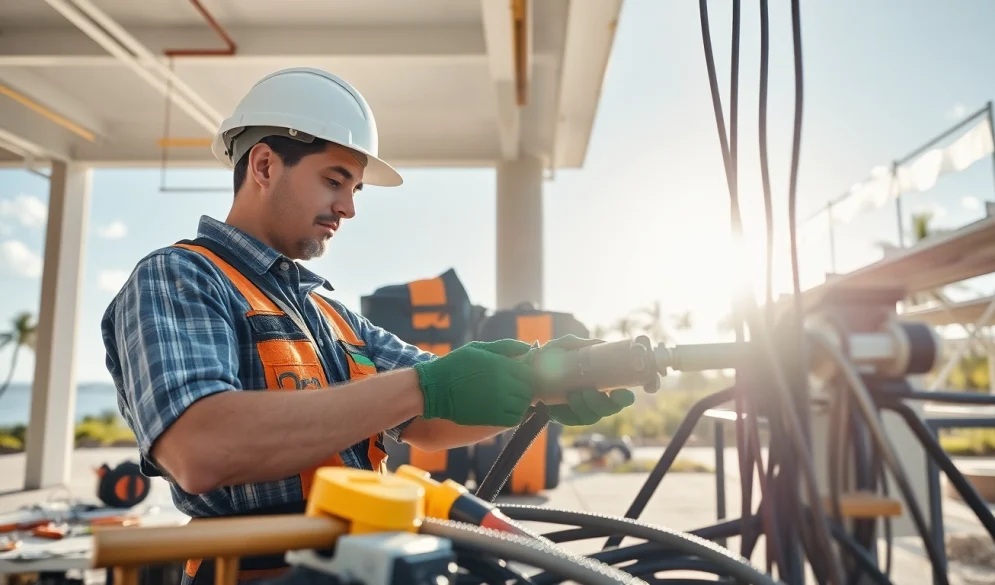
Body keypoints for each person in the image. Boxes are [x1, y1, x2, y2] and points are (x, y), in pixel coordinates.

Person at [100, 67, 635, 583]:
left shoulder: (329, 315)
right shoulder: (179, 277)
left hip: (367, 566)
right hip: (253, 575)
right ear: (263, 165)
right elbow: (200, 448)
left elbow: (431, 413)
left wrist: (540, 386)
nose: (348, 208)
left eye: (355, 189)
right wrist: (423, 386)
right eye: (335, 181)